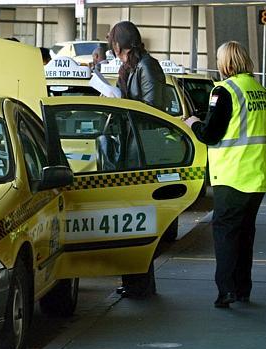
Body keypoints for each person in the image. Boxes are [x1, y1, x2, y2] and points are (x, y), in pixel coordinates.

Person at [185, 41, 266, 308]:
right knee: (246, 233)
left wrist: (193, 124)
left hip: (233, 175)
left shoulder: (224, 91)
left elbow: (211, 134)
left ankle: (226, 291)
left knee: (225, 233)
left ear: (227, 64)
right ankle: (243, 288)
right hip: (257, 175)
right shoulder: (260, 91)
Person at [107, 21, 167, 299]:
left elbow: (153, 110)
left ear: (121, 43)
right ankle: (133, 281)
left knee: (140, 219)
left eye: (114, 44)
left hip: (143, 152)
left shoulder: (147, 66)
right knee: (131, 219)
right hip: (132, 151)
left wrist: (125, 102)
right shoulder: (131, 67)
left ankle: (141, 283)